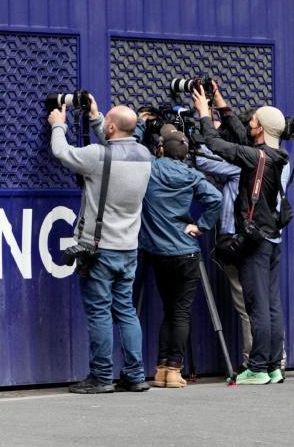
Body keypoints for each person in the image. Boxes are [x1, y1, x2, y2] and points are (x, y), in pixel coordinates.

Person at [48, 98, 153, 394]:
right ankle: (135, 375)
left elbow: (62, 152)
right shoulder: (145, 156)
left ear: (110, 127)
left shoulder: (96, 155)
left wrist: (58, 124)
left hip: (98, 250)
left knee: (99, 313)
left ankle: (102, 376)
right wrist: (97, 121)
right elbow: (114, 149)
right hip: (128, 249)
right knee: (126, 312)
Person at [192, 85, 289, 385]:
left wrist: (204, 115)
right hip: (271, 238)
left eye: (253, 120)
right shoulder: (273, 156)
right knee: (271, 306)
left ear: (260, 128)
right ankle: (273, 365)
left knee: (257, 305)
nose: (249, 123)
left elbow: (215, 144)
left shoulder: (254, 157)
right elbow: (240, 135)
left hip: (254, 241)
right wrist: (222, 105)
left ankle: (258, 367)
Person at [133, 125, 222, 388]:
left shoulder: (150, 167)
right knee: (180, 312)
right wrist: (201, 225)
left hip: (157, 253)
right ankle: (173, 370)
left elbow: (133, 147)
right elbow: (215, 199)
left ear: (161, 149)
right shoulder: (192, 175)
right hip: (186, 252)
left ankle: (161, 369)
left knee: (168, 310)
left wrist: (140, 124)